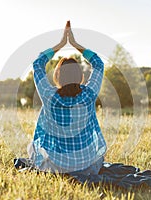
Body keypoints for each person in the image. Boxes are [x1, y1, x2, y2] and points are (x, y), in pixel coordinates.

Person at [27, 21, 107, 174]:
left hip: (58, 168)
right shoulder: (89, 95)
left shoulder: (49, 96)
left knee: (31, 147)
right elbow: (98, 64)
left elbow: (37, 63)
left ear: (58, 76)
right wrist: (75, 44)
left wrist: (61, 44)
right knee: (97, 157)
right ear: (80, 76)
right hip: (87, 167)